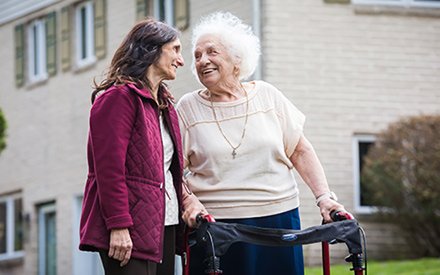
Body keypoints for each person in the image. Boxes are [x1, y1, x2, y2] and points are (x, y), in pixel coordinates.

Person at [176, 12, 346, 275]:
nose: (203, 61)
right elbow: (171, 169)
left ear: (237, 59)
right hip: (217, 227)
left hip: (278, 219)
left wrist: (325, 198)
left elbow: (300, 150)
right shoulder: (188, 108)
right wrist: (188, 202)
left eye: (212, 52)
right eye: (197, 56)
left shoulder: (267, 96)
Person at [79, 19, 187, 275]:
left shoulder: (164, 104)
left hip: (165, 224)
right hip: (128, 228)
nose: (180, 61)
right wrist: (118, 225)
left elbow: (167, 170)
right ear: (152, 49)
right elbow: (108, 170)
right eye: (176, 49)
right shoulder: (118, 98)